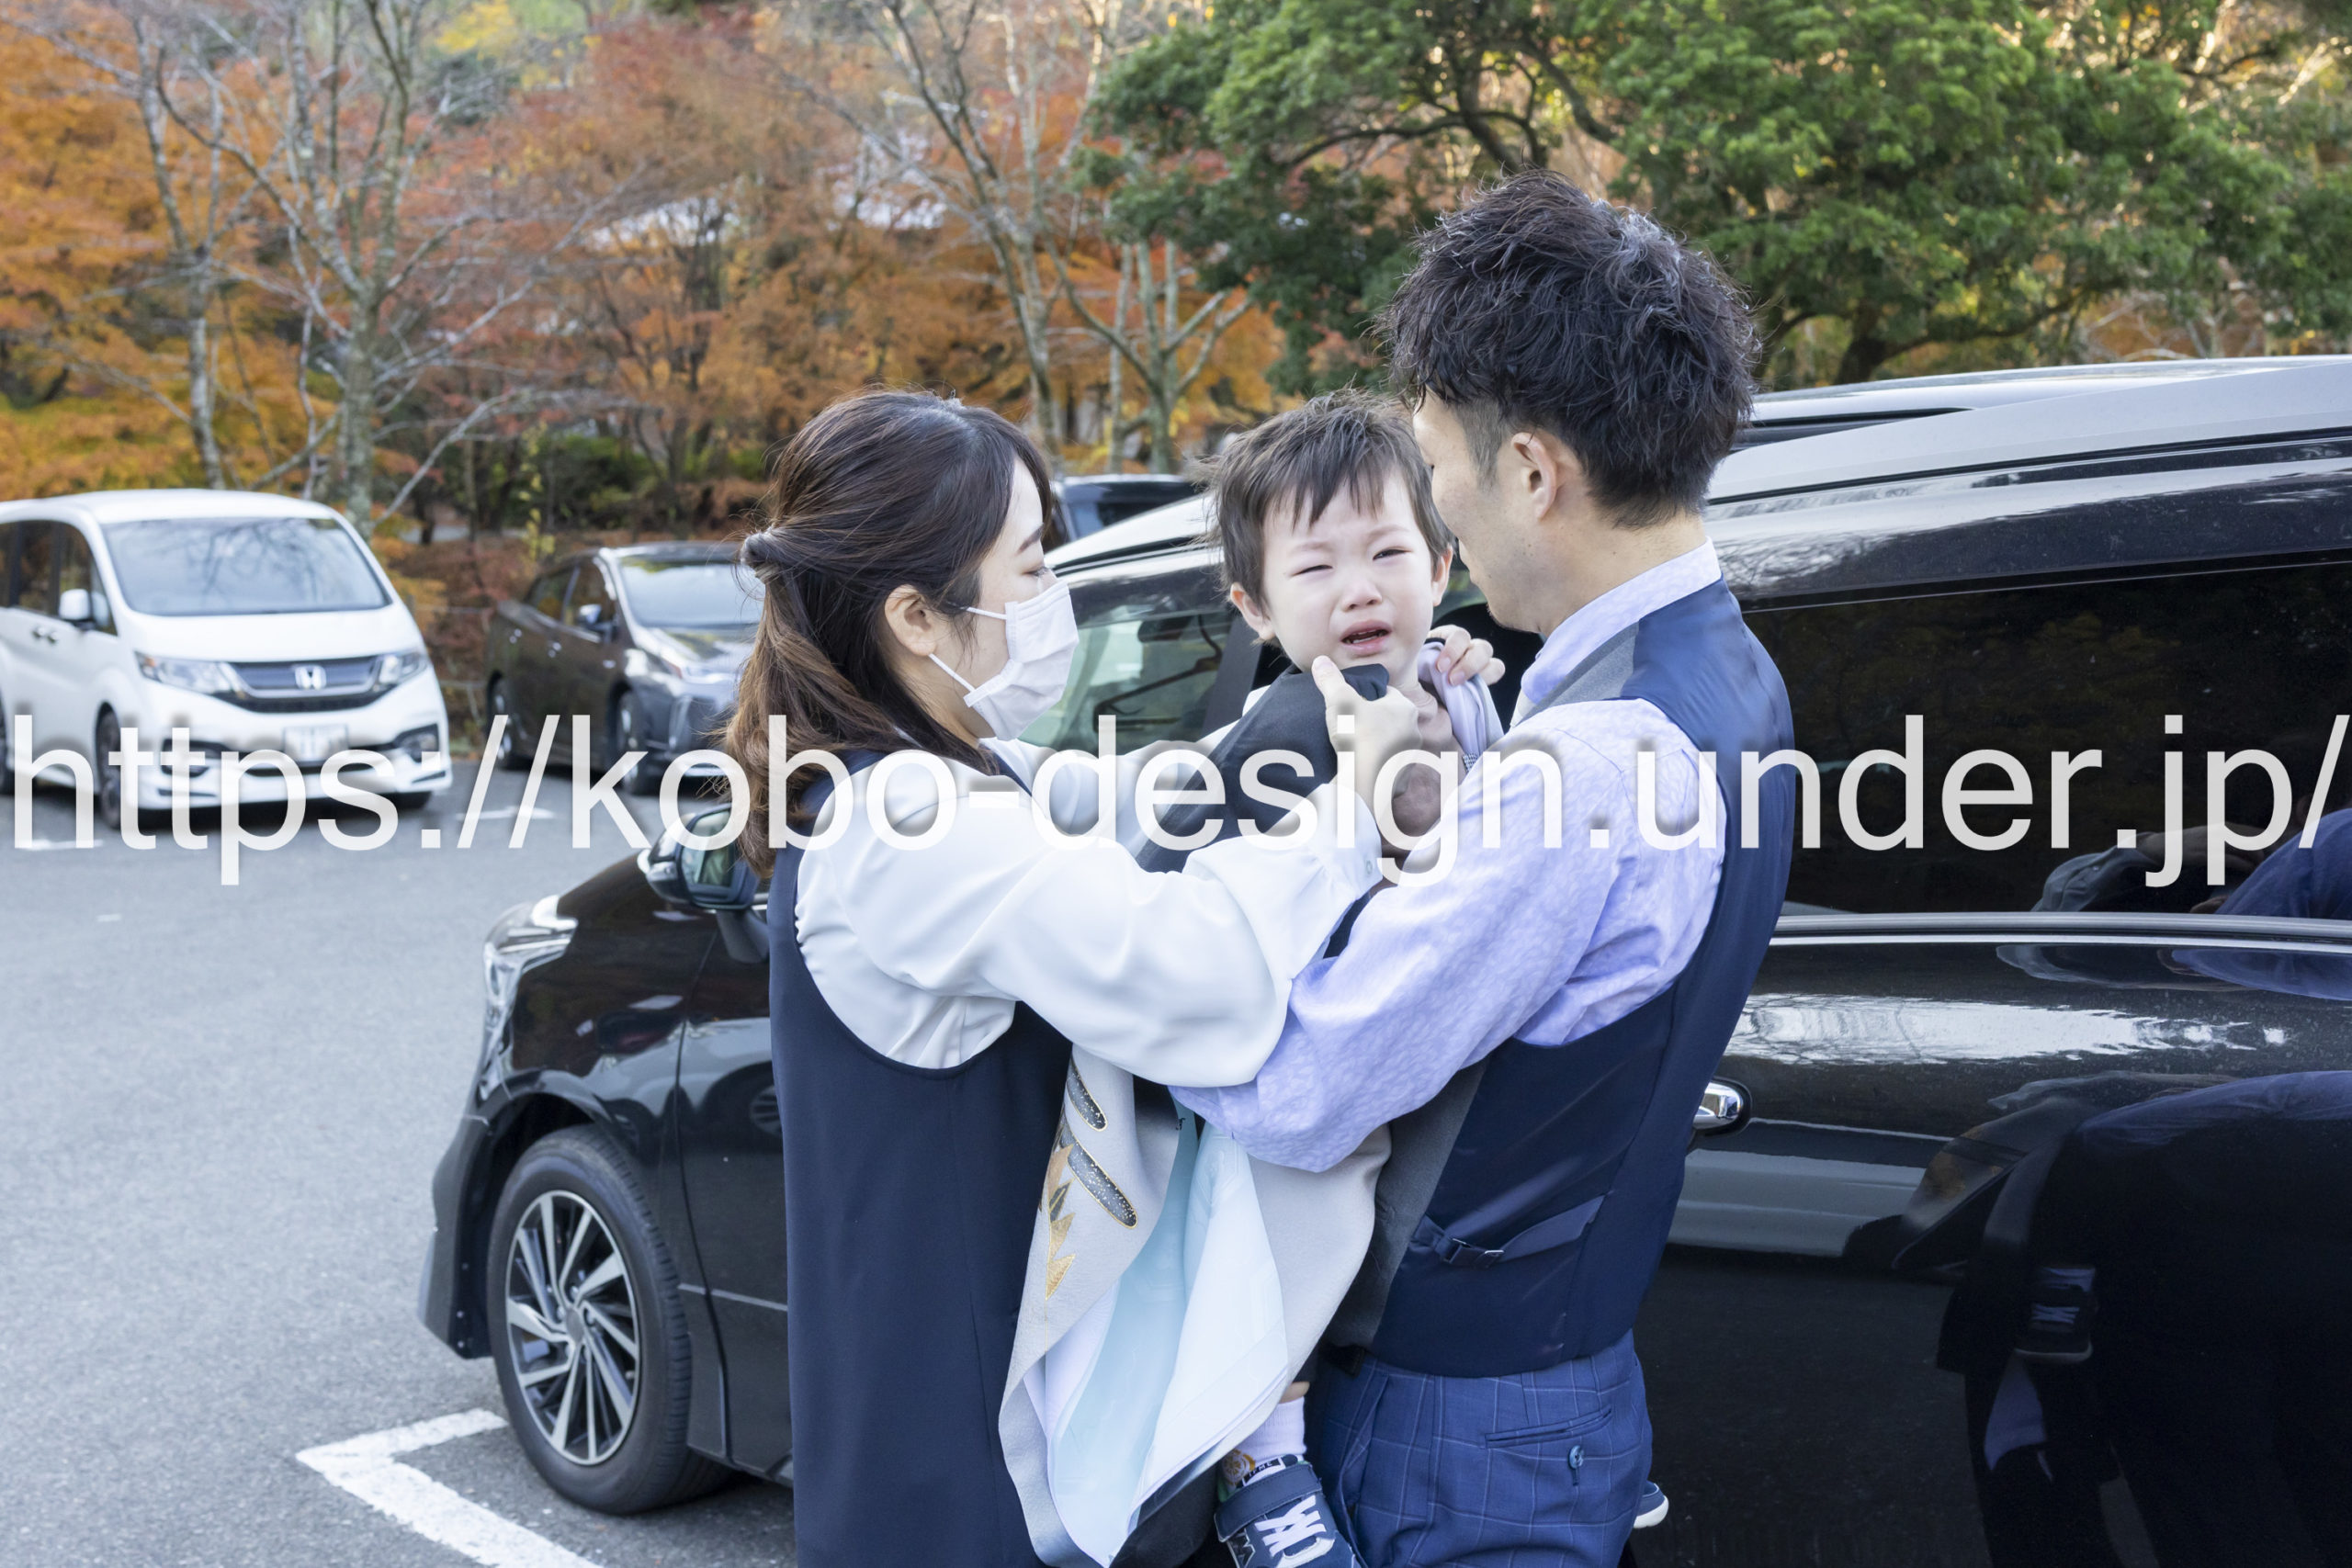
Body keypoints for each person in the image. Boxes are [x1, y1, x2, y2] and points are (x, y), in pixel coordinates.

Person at [1175, 171, 1794, 1567]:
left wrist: (1113, 1000)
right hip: (1569, 1374)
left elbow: (1307, 1089)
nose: (1439, 509)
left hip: (1457, 1417)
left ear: (1529, 471)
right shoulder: (1733, 676)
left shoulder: (1584, 763)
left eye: (1437, 465)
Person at [726, 390, 1426, 1568]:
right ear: (917, 616)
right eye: (1032, 565)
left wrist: (1325, 705)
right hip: (962, 1472)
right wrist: (1351, 815)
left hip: (956, 1429)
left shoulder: (943, 774)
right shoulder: (907, 826)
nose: (1053, 593)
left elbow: (1143, 793)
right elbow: (1185, 966)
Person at [1006, 393, 1506, 1568]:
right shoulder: (1283, 732)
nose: (1358, 589)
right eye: (1316, 567)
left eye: (1388, 553)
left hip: (1370, 1074)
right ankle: (1258, 1455)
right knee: (1261, 1256)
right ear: (1255, 607)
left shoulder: (1450, 692)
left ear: (1443, 565)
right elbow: (1168, 891)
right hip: (1267, 1080)